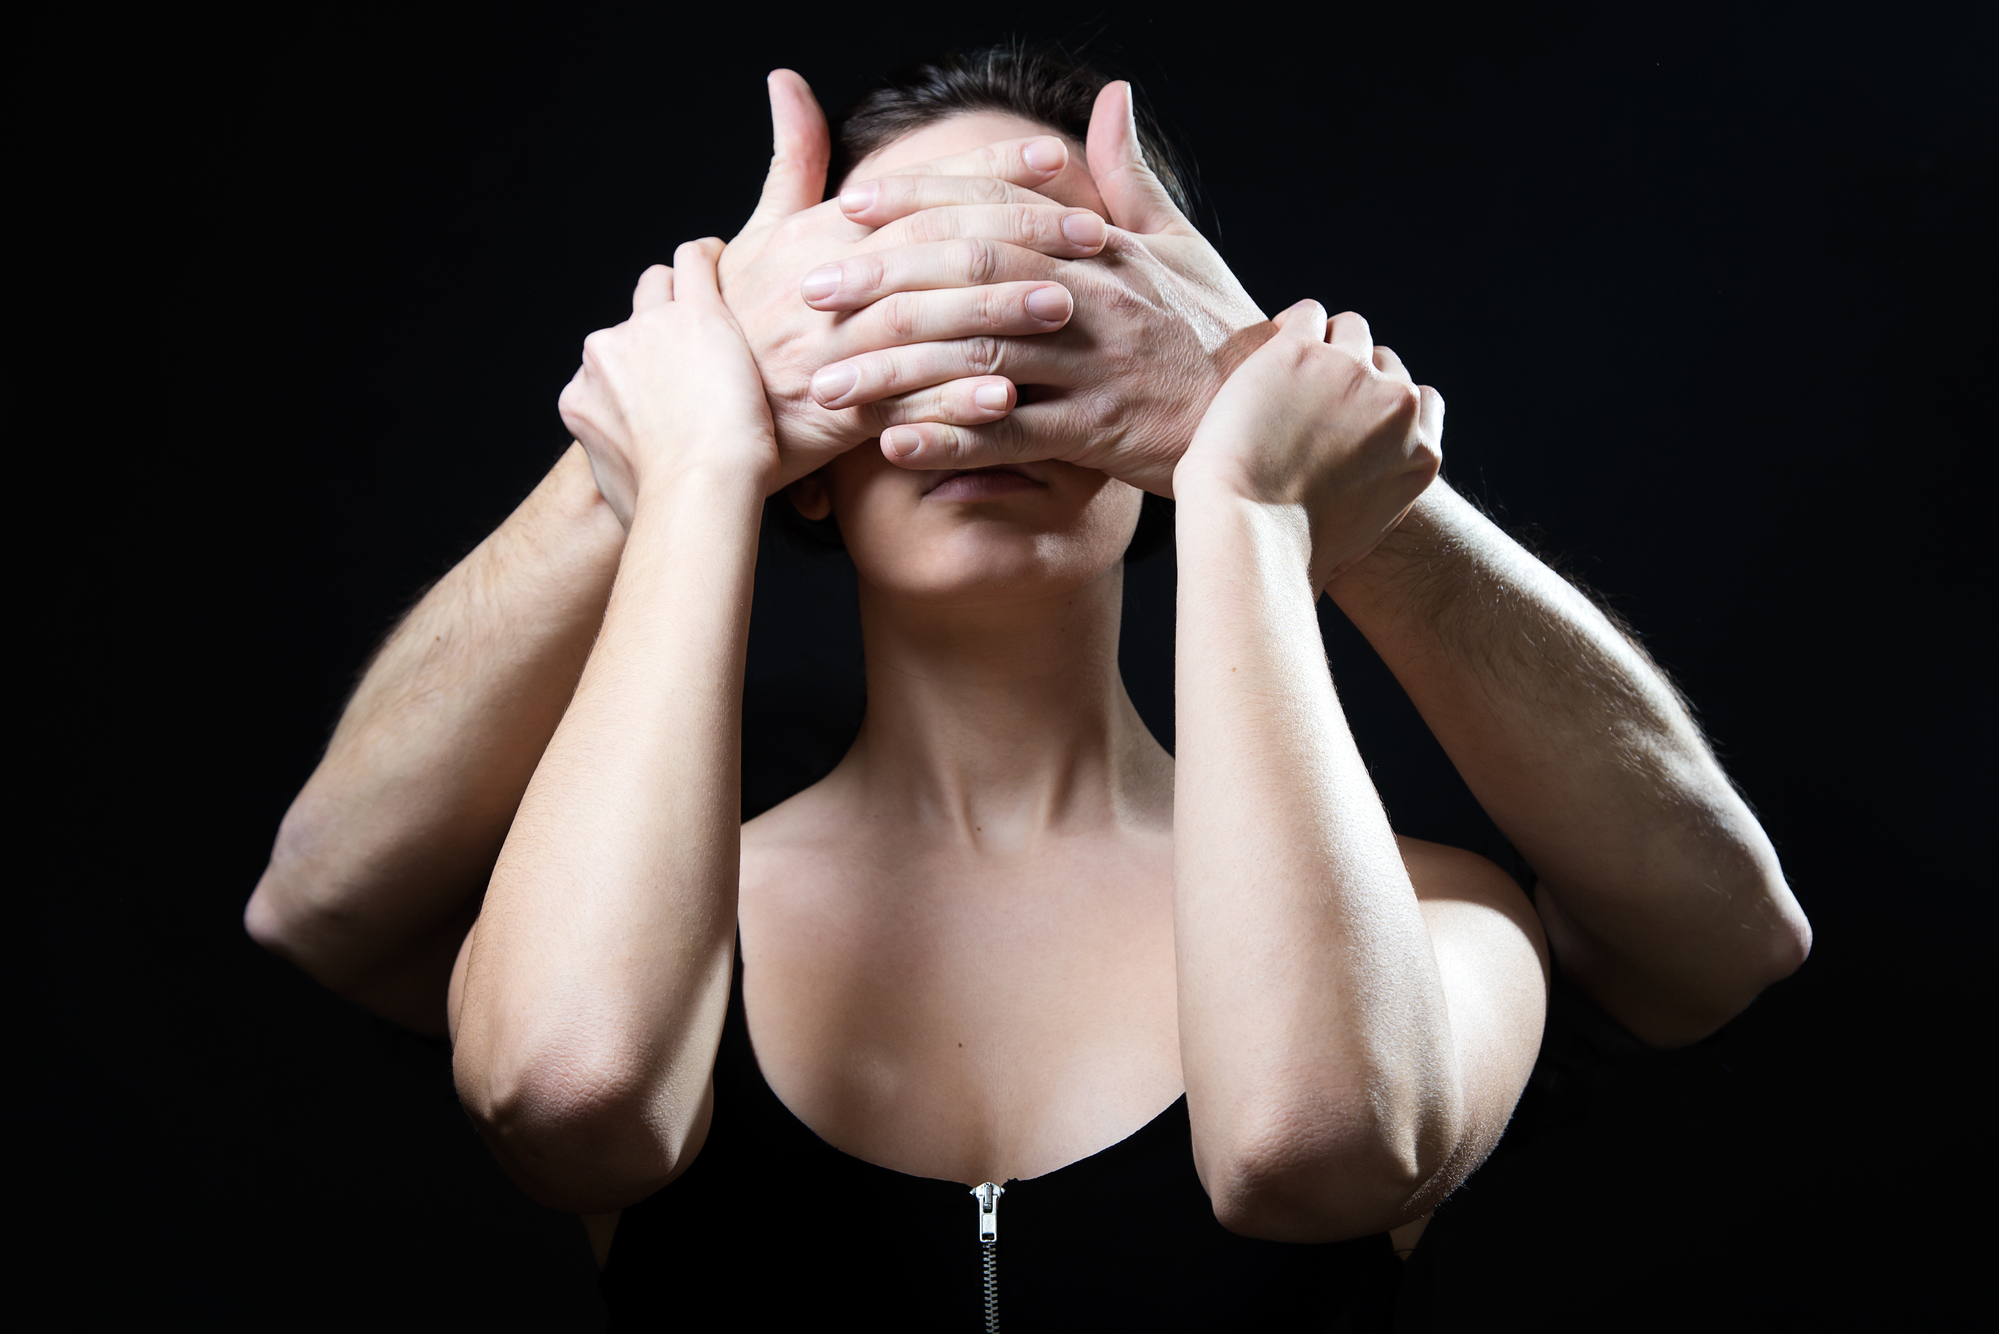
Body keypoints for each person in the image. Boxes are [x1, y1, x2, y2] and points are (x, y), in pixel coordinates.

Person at [245, 47, 1810, 1329]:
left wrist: (1254, 477)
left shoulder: (1426, 918)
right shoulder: (608, 914)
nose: (989, 375)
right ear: (801, 446)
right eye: (893, 307)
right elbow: (566, 1088)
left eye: (1063, 290)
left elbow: (1314, 1144)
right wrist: (692, 457)